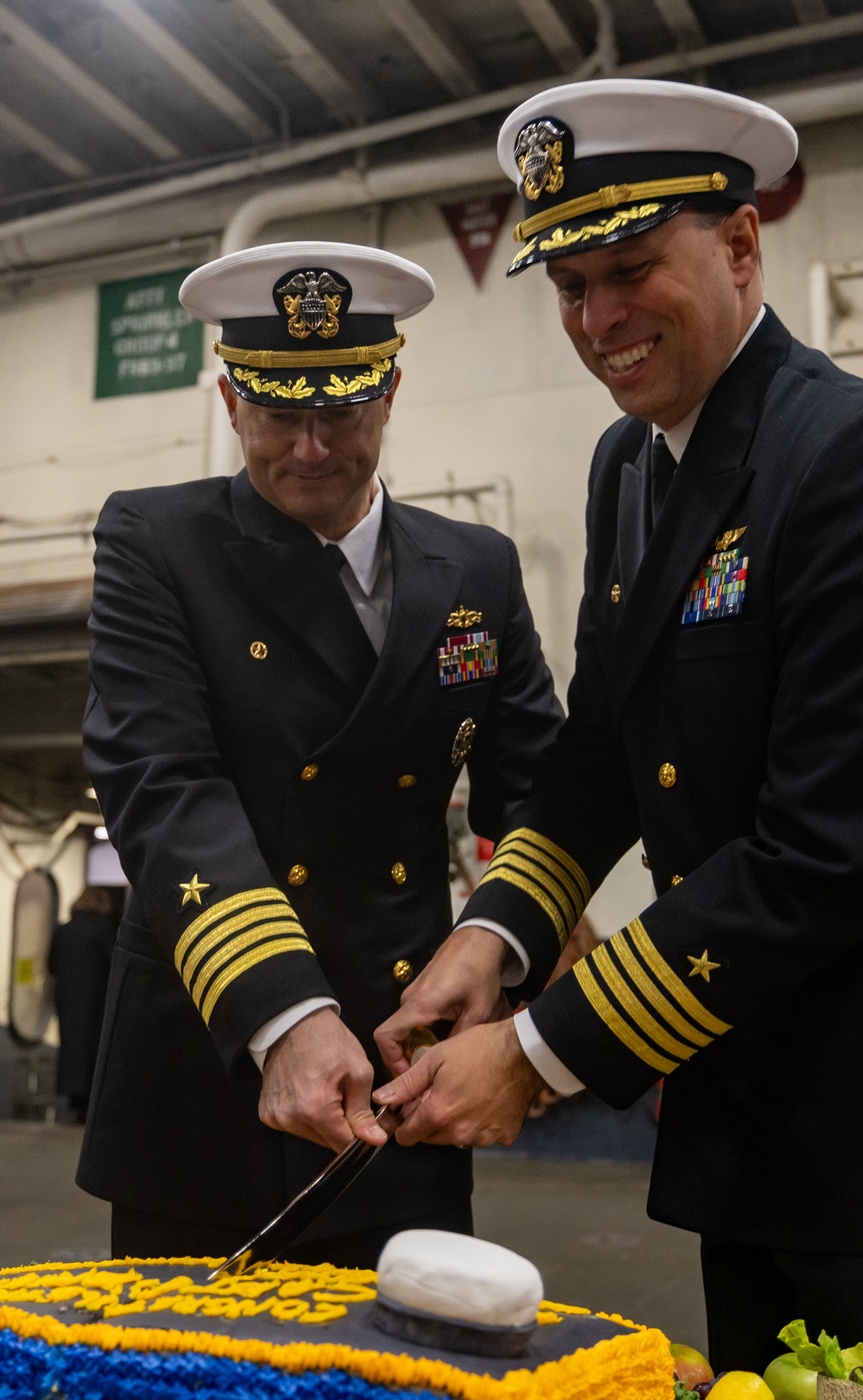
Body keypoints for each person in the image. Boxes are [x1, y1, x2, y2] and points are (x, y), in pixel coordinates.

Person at [373, 82, 863, 1363]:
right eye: (567, 286)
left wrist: (540, 1052)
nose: (598, 319)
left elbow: (826, 852)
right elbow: (599, 748)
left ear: (739, 243)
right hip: (742, 1103)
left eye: (630, 268)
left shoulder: (862, 462)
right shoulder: (633, 468)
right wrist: (495, 935)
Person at [78, 240, 562, 1266]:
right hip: (209, 1066)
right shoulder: (156, 541)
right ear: (227, 399)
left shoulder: (477, 563)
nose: (307, 446)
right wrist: (283, 1011)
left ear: (388, 393)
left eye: (338, 409)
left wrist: (503, 947)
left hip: (403, 1072)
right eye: (275, 411)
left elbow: (539, 788)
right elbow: (162, 784)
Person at [49, 884, 123, 1121]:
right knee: (93, 1047)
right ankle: (89, 1101)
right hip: (95, 999)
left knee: (70, 1047)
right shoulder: (102, 930)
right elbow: (115, 963)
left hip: (67, 999)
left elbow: (50, 964)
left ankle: (72, 1099)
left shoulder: (63, 930)